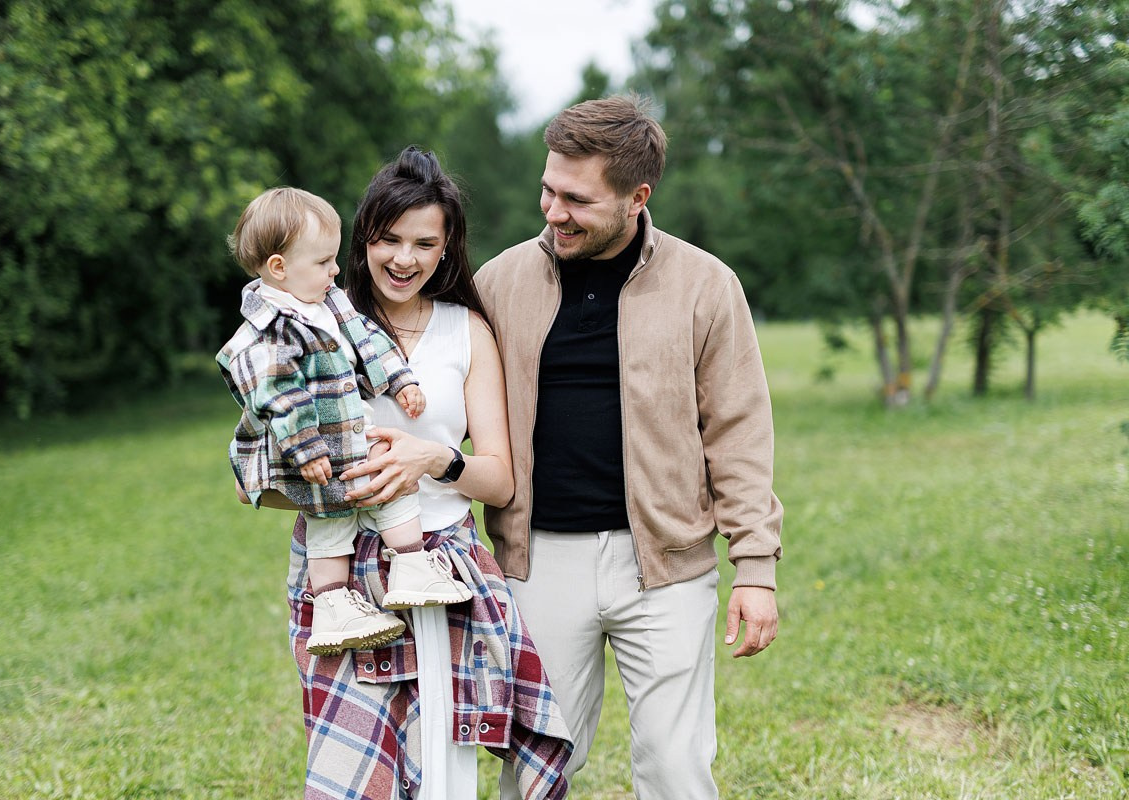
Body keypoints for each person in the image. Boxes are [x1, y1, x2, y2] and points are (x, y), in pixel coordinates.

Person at [473, 94, 785, 799]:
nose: (553, 212)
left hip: (667, 566)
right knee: (532, 772)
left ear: (637, 197)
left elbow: (738, 431)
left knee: (677, 769)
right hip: (535, 558)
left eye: (577, 200)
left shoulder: (706, 286)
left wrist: (757, 567)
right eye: (548, 189)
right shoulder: (498, 283)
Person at [245, 148, 572, 799]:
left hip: (442, 567)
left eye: (425, 243)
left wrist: (433, 460)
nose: (404, 258)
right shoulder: (317, 329)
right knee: (351, 770)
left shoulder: (467, 332)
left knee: (446, 764)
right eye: (389, 239)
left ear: (447, 247)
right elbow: (252, 479)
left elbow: (501, 479)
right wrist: (341, 483)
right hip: (344, 575)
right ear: (363, 237)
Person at [218, 187, 473, 658]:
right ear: (279, 268)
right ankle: (333, 603)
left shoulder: (329, 303)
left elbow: (367, 338)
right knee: (329, 523)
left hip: (351, 439)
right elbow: (277, 396)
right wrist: (306, 450)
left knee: (391, 486)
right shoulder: (264, 331)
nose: (336, 271)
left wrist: (399, 381)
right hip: (312, 452)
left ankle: (411, 568)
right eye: (323, 262)